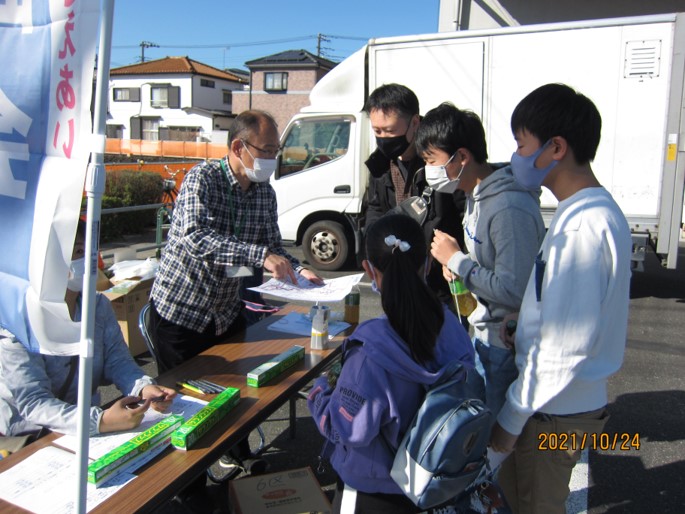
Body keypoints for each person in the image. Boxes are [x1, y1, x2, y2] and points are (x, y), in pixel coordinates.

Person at [149, 109, 321, 473]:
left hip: (226, 309)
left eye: (277, 151)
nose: (272, 160)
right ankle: (189, 486)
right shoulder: (202, 180)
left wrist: (300, 267)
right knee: (187, 404)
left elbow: (273, 244)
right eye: (268, 150)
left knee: (238, 392)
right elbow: (195, 239)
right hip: (182, 311)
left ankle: (239, 458)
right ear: (239, 146)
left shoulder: (264, 193)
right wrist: (260, 256)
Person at [490, 84, 632, 514]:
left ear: (556, 147)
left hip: (552, 412)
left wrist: (508, 424)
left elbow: (565, 346)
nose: (516, 155)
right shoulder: (581, 212)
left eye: (521, 143)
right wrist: (526, 324)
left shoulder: (584, 226)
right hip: (557, 406)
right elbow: (564, 307)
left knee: (535, 505)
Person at [308, 214, 474, 513]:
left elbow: (348, 429)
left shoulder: (370, 351)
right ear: (427, 265)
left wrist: (319, 392)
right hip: (437, 484)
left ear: (369, 269)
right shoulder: (454, 328)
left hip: (374, 491)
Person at [416, 102, 545, 418]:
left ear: (462, 156)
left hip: (504, 345)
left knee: (494, 438)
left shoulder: (507, 208)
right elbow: (489, 268)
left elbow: (515, 289)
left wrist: (458, 260)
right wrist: (459, 270)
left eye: (432, 161)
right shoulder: (475, 196)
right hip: (484, 334)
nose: (429, 171)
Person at [0, 221, 175, 438]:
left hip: (89, 429)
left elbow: (117, 360)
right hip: (30, 437)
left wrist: (142, 388)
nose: (88, 261)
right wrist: (100, 421)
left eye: (90, 251)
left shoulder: (97, 306)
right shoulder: (15, 320)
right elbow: (33, 402)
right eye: (78, 252)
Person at [363, 84, 466, 313]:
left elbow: (462, 214)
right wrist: (376, 243)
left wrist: (455, 258)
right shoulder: (380, 163)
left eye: (390, 131)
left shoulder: (439, 162)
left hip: (440, 282)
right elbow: (375, 208)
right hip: (396, 277)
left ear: (415, 123)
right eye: (377, 132)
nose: (383, 139)